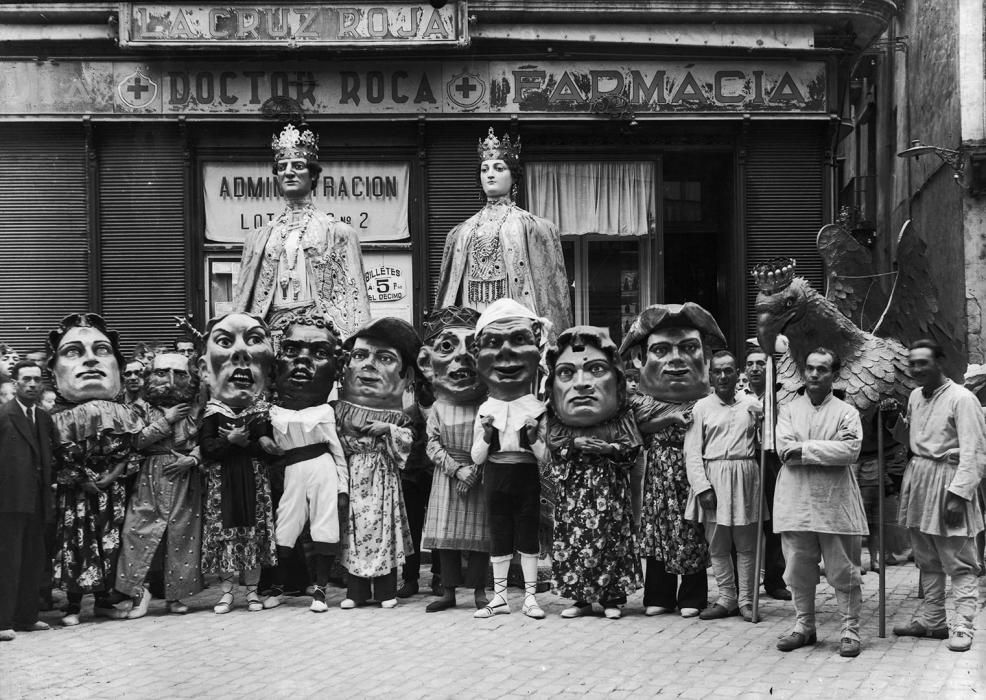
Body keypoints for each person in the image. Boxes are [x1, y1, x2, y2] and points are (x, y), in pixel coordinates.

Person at [620, 303, 725, 619]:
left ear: (705, 355)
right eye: (662, 350)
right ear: (641, 358)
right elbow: (636, 431)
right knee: (656, 532)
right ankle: (659, 594)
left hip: (696, 476)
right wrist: (668, 420)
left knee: (693, 532)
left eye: (689, 347)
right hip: (659, 475)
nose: (676, 359)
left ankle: (693, 595)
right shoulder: (638, 402)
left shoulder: (711, 402)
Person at [888, 339, 986, 653]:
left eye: (922, 363)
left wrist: (959, 494)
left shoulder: (962, 398)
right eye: (912, 363)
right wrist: (892, 422)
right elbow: (913, 440)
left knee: (958, 560)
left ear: (940, 363)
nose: (915, 369)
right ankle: (934, 621)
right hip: (919, 480)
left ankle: (963, 626)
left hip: (948, 482)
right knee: (927, 559)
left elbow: (976, 452)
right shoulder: (916, 396)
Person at [48, 313, 145, 626]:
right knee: (76, 543)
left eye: (102, 350)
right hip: (76, 493)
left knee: (111, 543)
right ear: (53, 370)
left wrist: (111, 477)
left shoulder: (128, 414)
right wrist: (82, 479)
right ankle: (74, 604)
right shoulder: (53, 418)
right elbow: (56, 457)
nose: (90, 360)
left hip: (112, 492)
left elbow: (131, 452)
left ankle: (105, 599)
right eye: (73, 352)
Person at [233, 122, 371, 337]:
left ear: (313, 175)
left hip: (318, 335)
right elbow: (243, 304)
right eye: (282, 167)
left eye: (297, 166)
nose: (288, 173)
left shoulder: (338, 233)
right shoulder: (258, 238)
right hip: (272, 335)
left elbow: (356, 307)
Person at [434, 127, 572, 337]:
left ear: (513, 176)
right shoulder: (460, 233)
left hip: (514, 313)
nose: (490, 174)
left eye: (498, 168)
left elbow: (552, 294)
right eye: (484, 169)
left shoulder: (536, 228)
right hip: (471, 313)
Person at [546, 326, 643, 620]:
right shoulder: (557, 420)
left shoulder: (622, 417)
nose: (582, 384)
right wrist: (574, 444)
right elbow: (554, 446)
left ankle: (612, 598)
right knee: (575, 542)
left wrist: (609, 449)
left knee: (611, 540)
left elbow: (632, 450)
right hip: (574, 490)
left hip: (609, 488)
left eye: (596, 369)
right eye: (567, 373)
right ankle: (581, 599)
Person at [773, 347, 865, 658]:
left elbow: (850, 451)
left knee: (842, 568)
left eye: (822, 369)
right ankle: (804, 627)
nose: (814, 374)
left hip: (834, 501)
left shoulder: (846, 412)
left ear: (834, 375)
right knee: (797, 567)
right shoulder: (788, 410)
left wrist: (805, 450)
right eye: (810, 368)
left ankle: (850, 630)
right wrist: (824, 450)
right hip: (796, 500)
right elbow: (784, 450)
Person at [262, 311, 348, 614]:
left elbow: (336, 450)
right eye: (291, 350)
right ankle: (278, 586)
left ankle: (321, 590)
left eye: (319, 353)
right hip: (291, 471)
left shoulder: (326, 413)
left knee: (325, 526)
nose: (302, 360)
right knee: (285, 527)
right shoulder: (269, 414)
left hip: (321, 468)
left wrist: (342, 489)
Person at [470, 298, 549, 620]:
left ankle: (531, 597)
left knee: (528, 534)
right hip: (496, 477)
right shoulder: (486, 408)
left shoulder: (537, 407)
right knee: (499, 533)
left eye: (519, 340)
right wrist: (487, 436)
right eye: (493, 342)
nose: (506, 354)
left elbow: (546, 459)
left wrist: (533, 440)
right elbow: (476, 457)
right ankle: (500, 596)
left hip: (526, 477)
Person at [336, 318, 420, 610]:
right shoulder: (338, 411)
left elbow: (408, 439)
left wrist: (388, 430)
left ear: (407, 376)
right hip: (352, 475)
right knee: (354, 532)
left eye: (384, 358)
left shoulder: (399, 415)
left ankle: (386, 591)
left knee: (385, 529)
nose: (368, 365)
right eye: (359, 356)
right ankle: (356, 592)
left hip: (384, 477)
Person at [198, 313, 279, 614]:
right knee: (225, 535)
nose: (240, 355)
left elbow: (268, 449)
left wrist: (262, 443)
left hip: (254, 481)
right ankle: (227, 592)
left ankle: (253, 592)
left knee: (254, 535)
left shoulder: (261, 411)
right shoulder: (212, 412)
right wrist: (229, 441)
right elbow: (207, 449)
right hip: (224, 482)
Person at [115, 353, 201, 619]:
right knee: (137, 531)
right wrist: (168, 419)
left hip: (185, 477)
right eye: (163, 372)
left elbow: (205, 438)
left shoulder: (196, 407)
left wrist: (193, 458)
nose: (171, 380)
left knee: (182, 534)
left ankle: (176, 596)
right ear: (151, 375)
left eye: (179, 374)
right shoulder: (139, 408)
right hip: (150, 476)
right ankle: (138, 592)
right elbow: (138, 441)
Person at [418, 307, 492, 613]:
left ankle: (478, 591)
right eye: (448, 347)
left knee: (479, 538)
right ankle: (447, 591)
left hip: (479, 475)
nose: (462, 357)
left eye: (473, 347)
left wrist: (474, 470)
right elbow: (432, 445)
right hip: (448, 476)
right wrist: (457, 470)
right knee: (447, 539)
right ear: (426, 362)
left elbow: (492, 440)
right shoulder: (438, 407)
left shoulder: (487, 404)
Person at [685, 351, 763, 622]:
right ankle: (727, 598)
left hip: (745, 476)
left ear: (736, 372)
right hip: (714, 477)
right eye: (717, 371)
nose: (723, 376)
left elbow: (766, 443)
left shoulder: (752, 404)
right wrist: (702, 488)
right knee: (717, 544)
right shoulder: (701, 407)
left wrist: (764, 422)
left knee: (746, 544)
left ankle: (746, 601)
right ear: (710, 375)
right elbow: (692, 452)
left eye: (728, 370)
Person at [0, 361, 56, 641]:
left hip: (37, 499)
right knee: (8, 561)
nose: (33, 384)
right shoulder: (4, 415)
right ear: (15, 382)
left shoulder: (44, 418)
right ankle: (3, 621)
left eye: (37, 379)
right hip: (9, 502)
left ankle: (27, 617)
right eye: (27, 380)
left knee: (34, 560)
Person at [741, 348, 790, 600]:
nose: (756, 368)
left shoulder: (782, 395)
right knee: (744, 520)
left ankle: (774, 579)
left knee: (774, 523)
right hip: (746, 460)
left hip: (771, 459)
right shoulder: (738, 396)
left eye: (761, 363)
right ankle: (744, 582)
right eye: (751, 364)